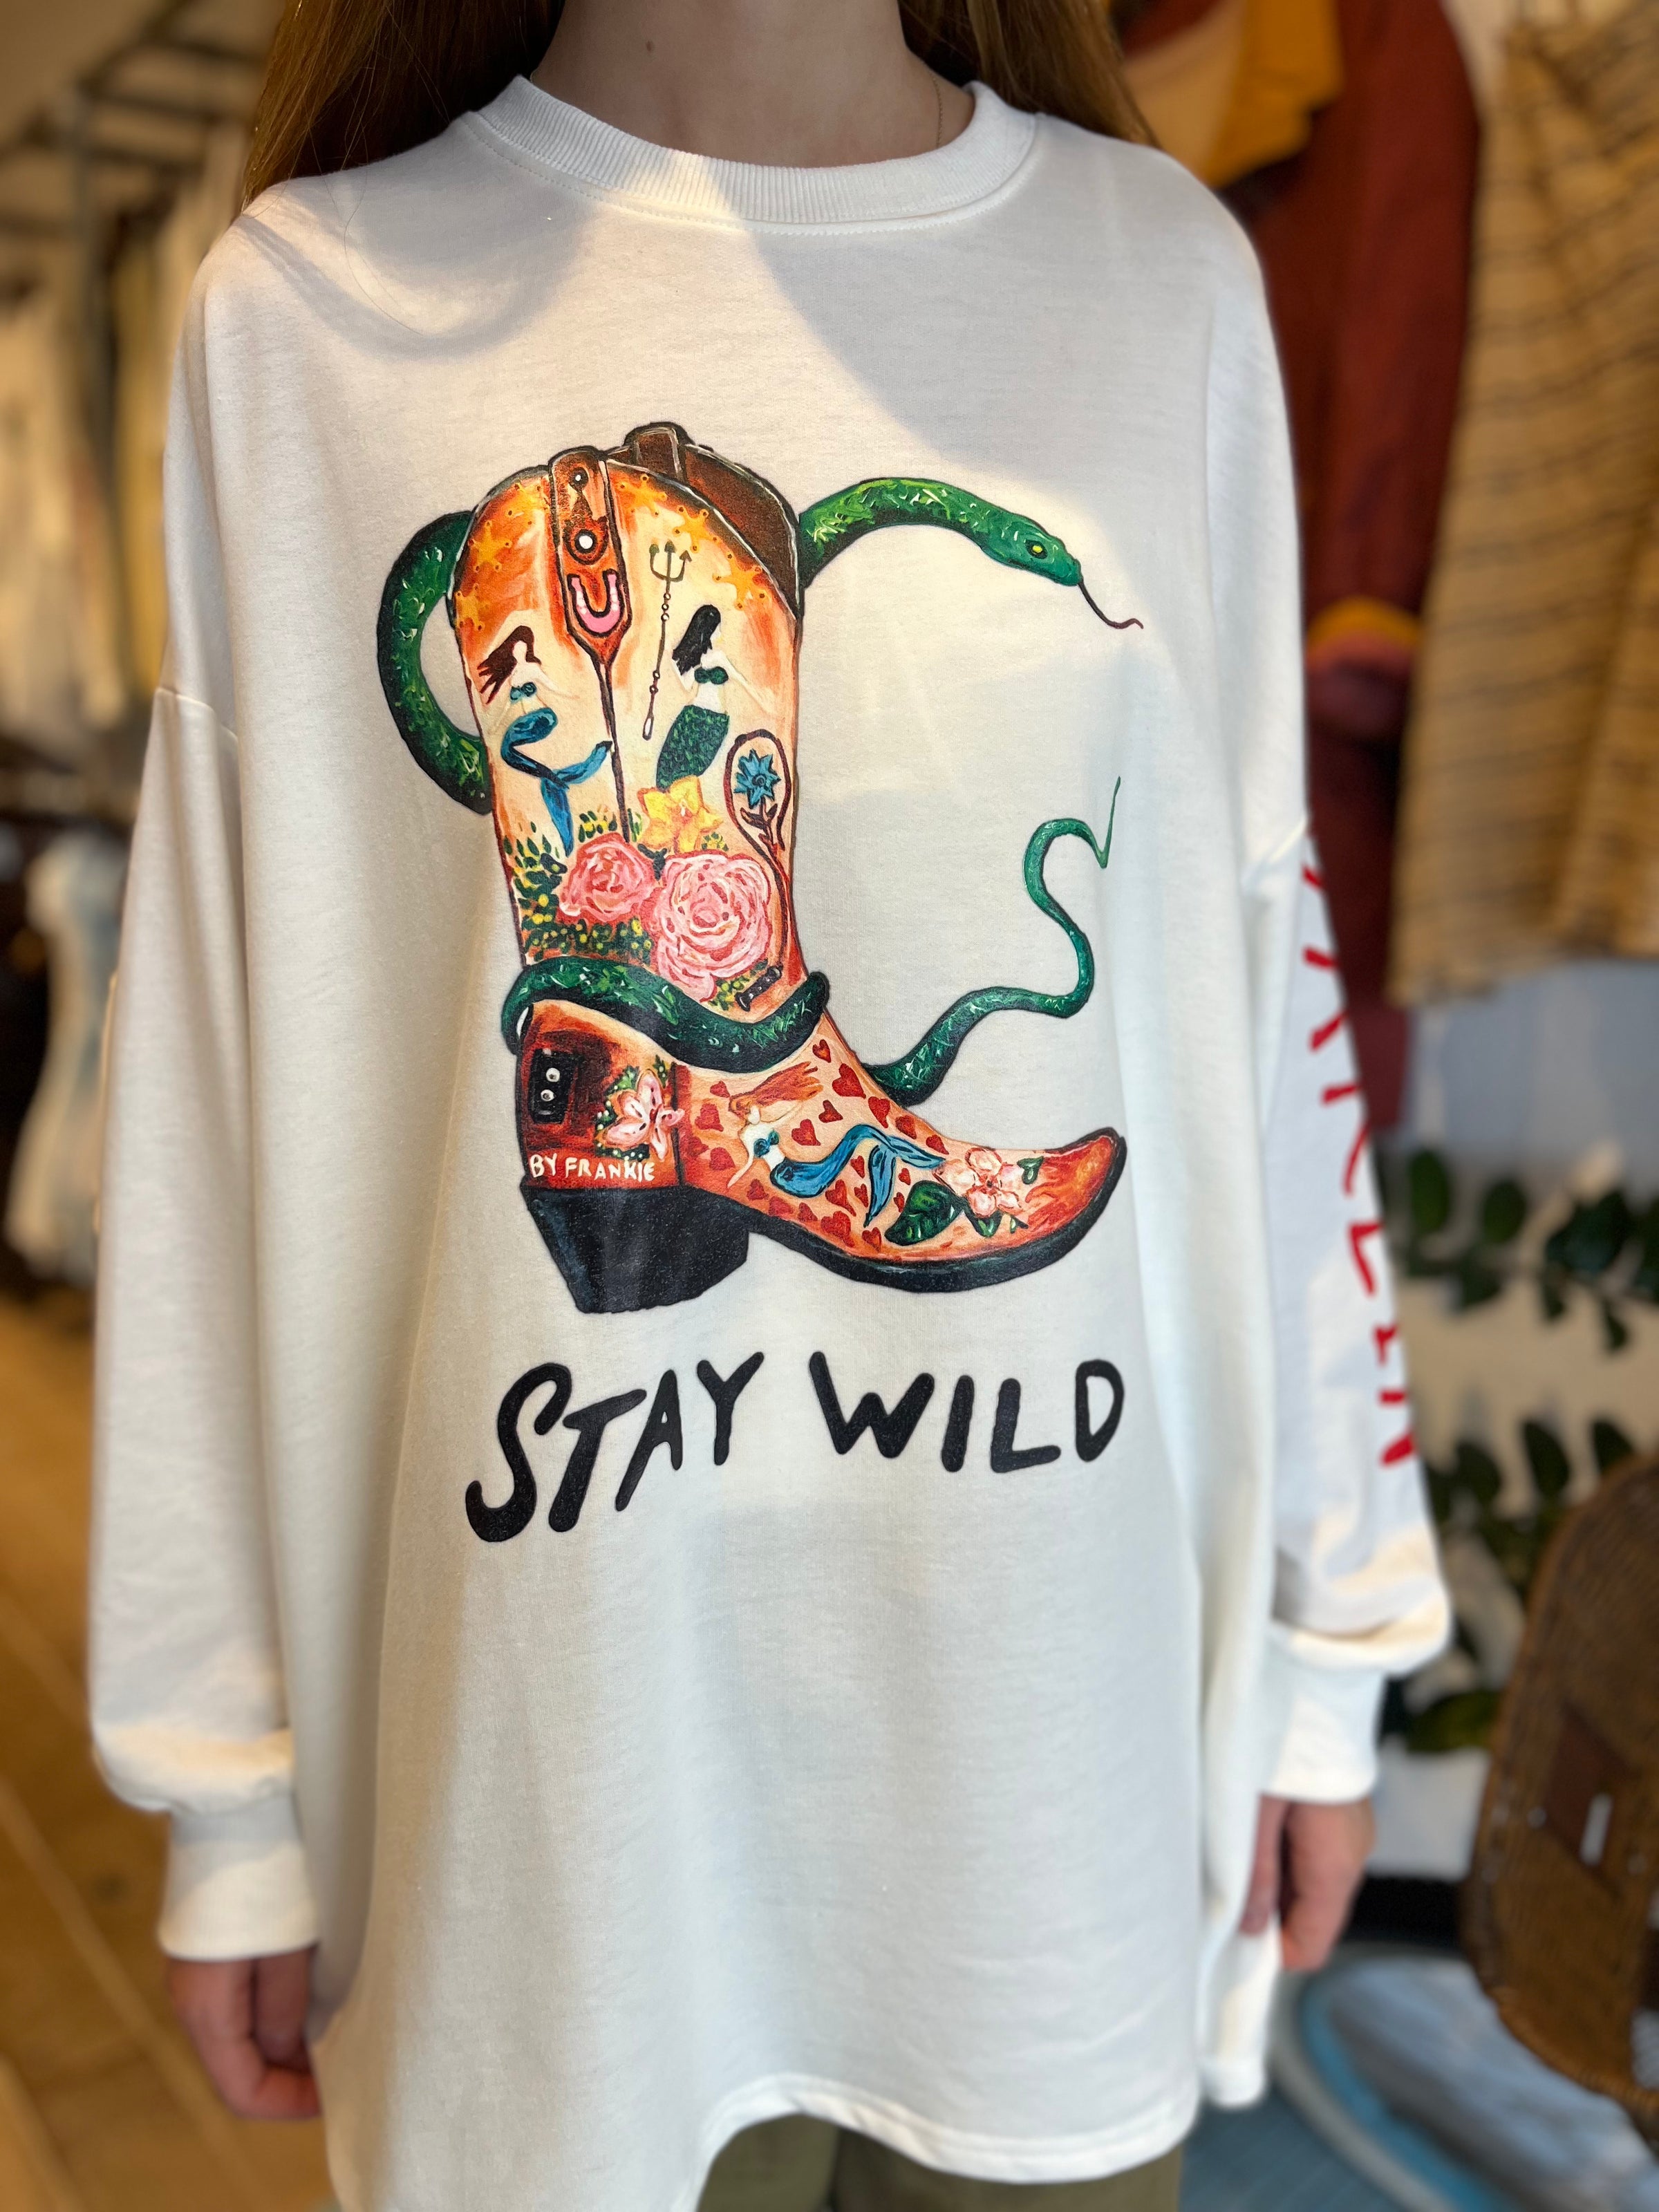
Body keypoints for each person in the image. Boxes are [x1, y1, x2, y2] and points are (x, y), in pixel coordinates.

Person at [88, 3, 1449, 2208]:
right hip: (550, 1779)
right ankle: (687, 1069)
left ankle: (692, 1080)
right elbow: (214, 1116)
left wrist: (1332, 1634)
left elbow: (1259, 983)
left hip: (1042, 1758)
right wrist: (229, 1775)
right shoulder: (321, 314)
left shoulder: (1154, 280)